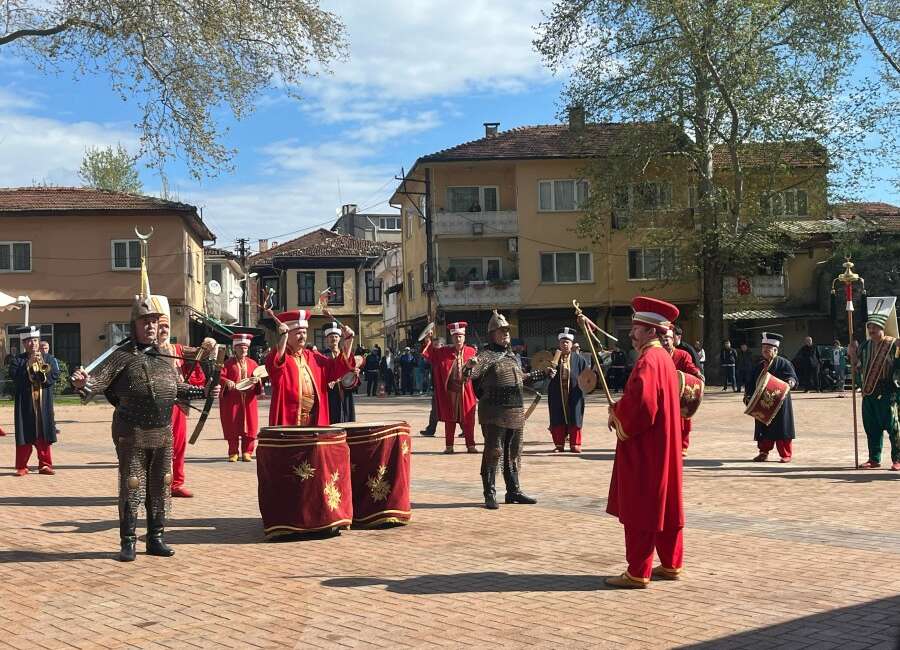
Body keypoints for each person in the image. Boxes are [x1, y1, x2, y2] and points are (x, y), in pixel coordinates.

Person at [71, 292, 215, 562]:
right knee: (133, 484)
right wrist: (82, 384)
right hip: (133, 432)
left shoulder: (164, 356)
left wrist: (203, 391)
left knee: (161, 484)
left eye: (154, 321)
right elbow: (96, 384)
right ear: (134, 324)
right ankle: (128, 541)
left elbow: (177, 388)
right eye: (145, 321)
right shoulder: (122, 356)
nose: (150, 327)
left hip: (163, 432)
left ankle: (155, 537)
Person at [604, 297, 683, 589]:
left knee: (642, 507)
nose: (631, 333)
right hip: (664, 446)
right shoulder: (663, 358)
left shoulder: (649, 360)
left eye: (636, 328)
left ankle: (638, 571)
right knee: (666, 504)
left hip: (646, 449)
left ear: (651, 331)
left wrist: (617, 413)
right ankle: (672, 563)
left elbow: (643, 407)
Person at [464, 310, 550, 509]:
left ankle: (513, 490)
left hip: (515, 410)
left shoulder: (512, 356)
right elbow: (468, 376)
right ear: (492, 334)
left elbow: (522, 377)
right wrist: (469, 366)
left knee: (514, 451)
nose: (506, 335)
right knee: (494, 451)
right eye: (501, 332)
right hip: (494, 411)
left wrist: (543, 374)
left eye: (507, 332)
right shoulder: (484, 356)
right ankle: (490, 492)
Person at [265, 309, 355, 427]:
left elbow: (335, 369)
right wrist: (282, 339)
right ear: (287, 335)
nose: (303, 336)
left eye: (304, 332)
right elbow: (274, 366)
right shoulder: (283, 357)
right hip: (290, 419)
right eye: (298, 333)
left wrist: (348, 341)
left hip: (314, 418)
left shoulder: (313, 356)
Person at [157, 305, 208, 498]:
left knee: (178, 445)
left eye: (166, 327)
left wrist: (207, 347)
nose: (163, 330)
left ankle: (177, 483)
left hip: (178, 405)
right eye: (160, 326)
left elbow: (199, 356)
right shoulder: (146, 351)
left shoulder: (178, 349)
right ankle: (157, 484)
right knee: (157, 446)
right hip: (155, 406)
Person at [849, 310, 900, 470]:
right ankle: (874, 458)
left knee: (894, 427)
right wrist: (852, 355)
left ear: (882, 328)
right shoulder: (865, 345)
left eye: (875, 328)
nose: (871, 331)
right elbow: (858, 367)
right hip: (868, 393)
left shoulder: (893, 344)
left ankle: (898, 459)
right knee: (871, 428)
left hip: (888, 392)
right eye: (869, 328)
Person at [10, 326, 60, 476]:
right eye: (29, 341)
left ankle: (45, 464)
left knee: (43, 433)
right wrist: (28, 365)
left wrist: (42, 369)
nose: (33, 343)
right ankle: (22, 466)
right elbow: (15, 377)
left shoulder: (49, 358)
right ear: (24, 344)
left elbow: (54, 375)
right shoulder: (17, 360)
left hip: (43, 404)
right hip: (25, 404)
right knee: (25, 433)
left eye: (35, 340)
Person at [422, 322, 478, 453]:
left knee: (469, 419)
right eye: (455, 337)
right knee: (450, 419)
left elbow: (477, 372)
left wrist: (474, 364)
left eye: (460, 336)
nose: (458, 339)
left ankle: (471, 445)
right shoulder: (444, 352)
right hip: (450, 391)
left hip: (466, 391)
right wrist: (428, 340)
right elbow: (431, 354)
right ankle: (449, 446)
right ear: (452, 338)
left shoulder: (471, 351)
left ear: (464, 337)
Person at [744, 332, 798, 463]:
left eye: (768, 349)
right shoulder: (759, 366)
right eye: (763, 349)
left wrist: (791, 382)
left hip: (780, 402)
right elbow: (750, 382)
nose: (765, 352)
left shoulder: (784, 363)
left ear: (775, 350)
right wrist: (749, 397)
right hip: (763, 403)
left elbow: (792, 377)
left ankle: (786, 454)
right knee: (763, 429)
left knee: (781, 429)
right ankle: (763, 452)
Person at [219, 333, 263, 462]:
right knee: (232, 425)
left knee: (250, 425)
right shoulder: (227, 363)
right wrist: (227, 382)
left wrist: (258, 381)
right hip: (233, 400)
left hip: (248, 400)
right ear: (235, 348)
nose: (243, 350)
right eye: (240, 347)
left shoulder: (253, 363)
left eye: (245, 347)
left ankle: (247, 452)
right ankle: (233, 452)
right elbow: (220, 377)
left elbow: (260, 377)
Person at [660, 326, 702, 456]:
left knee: (684, 419)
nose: (665, 342)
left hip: (680, 392)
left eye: (667, 338)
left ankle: (683, 446)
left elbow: (690, 367)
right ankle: (667, 444)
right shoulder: (658, 355)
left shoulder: (682, 354)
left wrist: (697, 373)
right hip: (664, 394)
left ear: (673, 339)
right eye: (662, 339)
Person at [547, 327, 588, 453]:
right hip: (557, 393)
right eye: (562, 342)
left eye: (567, 342)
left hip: (575, 392)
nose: (565, 344)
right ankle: (559, 444)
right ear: (559, 343)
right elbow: (545, 374)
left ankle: (575, 444)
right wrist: (548, 371)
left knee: (575, 416)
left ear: (571, 344)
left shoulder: (579, 359)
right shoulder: (554, 358)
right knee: (557, 416)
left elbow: (587, 376)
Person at [323, 321, 357, 423]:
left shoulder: (346, 354)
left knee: (347, 416)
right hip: (330, 392)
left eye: (336, 336)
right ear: (326, 339)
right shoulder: (322, 356)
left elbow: (351, 368)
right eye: (331, 337)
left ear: (339, 339)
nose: (333, 339)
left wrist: (354, 372)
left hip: (345, 391)